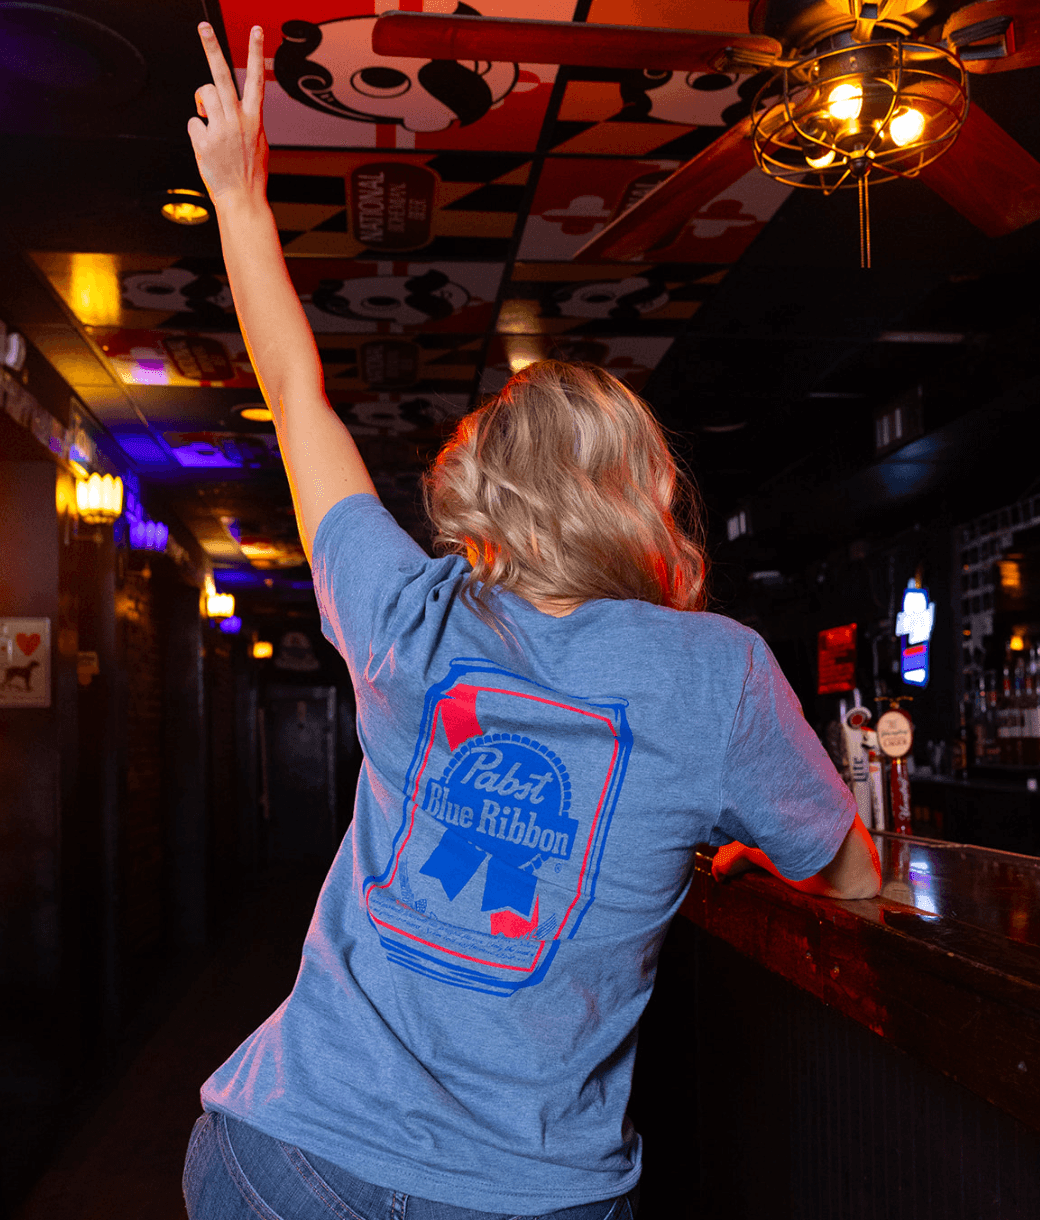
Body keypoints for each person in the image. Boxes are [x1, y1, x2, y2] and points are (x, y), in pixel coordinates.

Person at [181, 22, 881, 1220]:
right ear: (640, 497)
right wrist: (739, 838)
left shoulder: (409, 611)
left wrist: (242, 197)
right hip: (519, 1195)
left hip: (279, 1156)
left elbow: (296, 397)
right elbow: (855, 878)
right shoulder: (716, 674)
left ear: (484, 498)